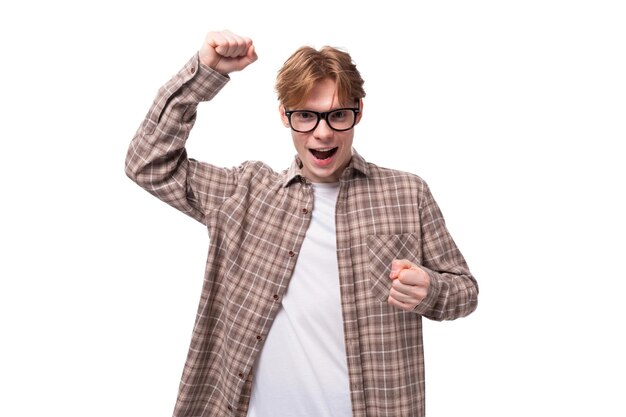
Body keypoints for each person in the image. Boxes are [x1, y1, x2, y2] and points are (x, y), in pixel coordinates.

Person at [125, 29, 478, 417]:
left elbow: (465, 291)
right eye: (306, 116)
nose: (323, 132)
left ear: (358, 111)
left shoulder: (406, 193)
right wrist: (205, 72)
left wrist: (431, 289)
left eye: (338, 115)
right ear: (285, 116)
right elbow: (147, 164)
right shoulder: (244, 193)